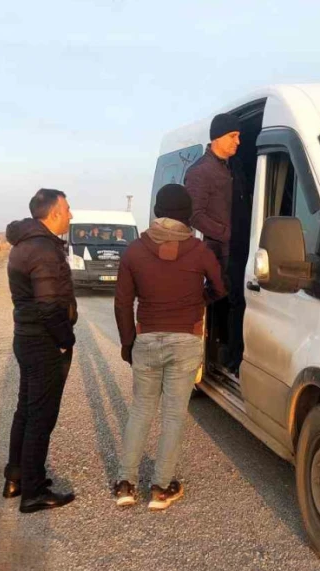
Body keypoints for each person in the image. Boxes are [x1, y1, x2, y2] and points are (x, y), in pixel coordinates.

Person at [113, 184, 226, 510]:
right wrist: (199, 302)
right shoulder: (200, 251)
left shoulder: (134, 250)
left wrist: (127, 342)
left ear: (158, 211)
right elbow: (220, 288)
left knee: (141, 410)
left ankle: (125, 484)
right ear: (186, 214)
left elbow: (122, 304)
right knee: (174, 415)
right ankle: (161, 488)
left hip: (146, 339)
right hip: (186, 339)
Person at [4, 188, 78, 514]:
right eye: (67, 208)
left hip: (27, 337)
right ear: (53, 213)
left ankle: (16, 478)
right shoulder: (43, 250)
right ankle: (33, 491)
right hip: (44, 341)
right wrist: (65, 339)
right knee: (40, 416)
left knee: (26, 410)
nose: (71, 215)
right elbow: (49, 307)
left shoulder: (25, 244)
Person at [184, 113, 241, 371]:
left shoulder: (231, 168)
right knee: (227, 302)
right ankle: (223, 359)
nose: (237, 142)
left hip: (237, 250)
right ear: (217, 137)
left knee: (237, 302)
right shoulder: (200, 171)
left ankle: (232, 356)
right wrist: (226, 233)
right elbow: (194, 214)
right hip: (219, 251)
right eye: (233, 136)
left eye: (238, 136)